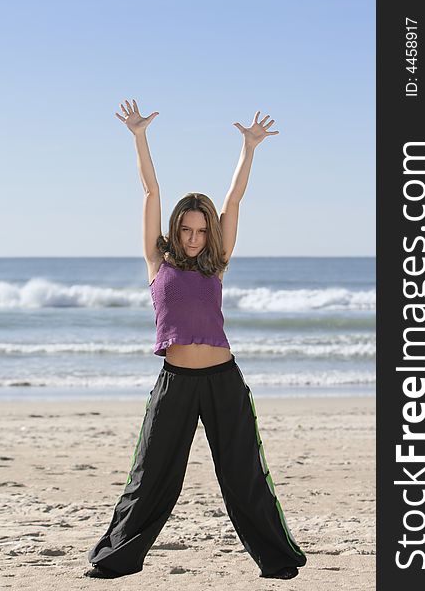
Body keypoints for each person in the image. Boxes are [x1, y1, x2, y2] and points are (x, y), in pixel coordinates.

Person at [84, 98, 307, 580]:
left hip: (224, 381)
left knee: (244, 475)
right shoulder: (155, 262)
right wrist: (139, 138)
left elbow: (234, 201)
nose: (193, 237)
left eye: (200, 230)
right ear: (174, 231)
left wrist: (249, 150)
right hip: (175, 382)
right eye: (185, 229)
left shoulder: (218, 263)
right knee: (151, 475)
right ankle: (117, 558)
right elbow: (150, 190)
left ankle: (279, 560)